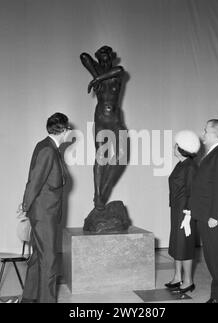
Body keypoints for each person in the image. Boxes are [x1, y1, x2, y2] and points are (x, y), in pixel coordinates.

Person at [18, 112, 71, 303]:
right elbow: (35, 180)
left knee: (38, 258)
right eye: (68, 129)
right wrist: (25, 205)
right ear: (63, 130)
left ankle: (29, 297)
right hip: (44, 215)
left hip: (45, 213)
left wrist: (26, 204)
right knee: (49, 259)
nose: (69, 133)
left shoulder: (48, 147)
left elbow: (37, 180)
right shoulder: (48, 150)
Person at [185, 119, 218, 303]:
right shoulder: (214, 154)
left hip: (214, 218)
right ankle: (217, 296)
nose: (203, 133)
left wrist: (215, 216)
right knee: (213, 259)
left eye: (206, 130)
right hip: (206, 216)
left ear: (214, 134)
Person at [80, 46, 127, 210]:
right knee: (102, 156)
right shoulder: (97, 69)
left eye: (107, 57)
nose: (105, 60)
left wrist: (96, 80)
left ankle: (103, 192)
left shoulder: (116, 72)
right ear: (99, 59)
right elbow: (84, 56)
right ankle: (98, 196)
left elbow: (119, 70)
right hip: (101, 118)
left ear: (112, 57)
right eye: (102, 58)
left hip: (115, 118)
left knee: (122, 156)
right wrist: (96, 75)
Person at [165, 130, 200, 294]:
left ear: (182, 148)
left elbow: (194, 193)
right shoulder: (181, 164)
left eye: (176, 144)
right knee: (177, 244)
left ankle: (188, 281)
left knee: (184, 245)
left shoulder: (191, 167)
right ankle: (178, 276)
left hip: (185, 212)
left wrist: (188, 215)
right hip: (177, 210)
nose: (174, 147)